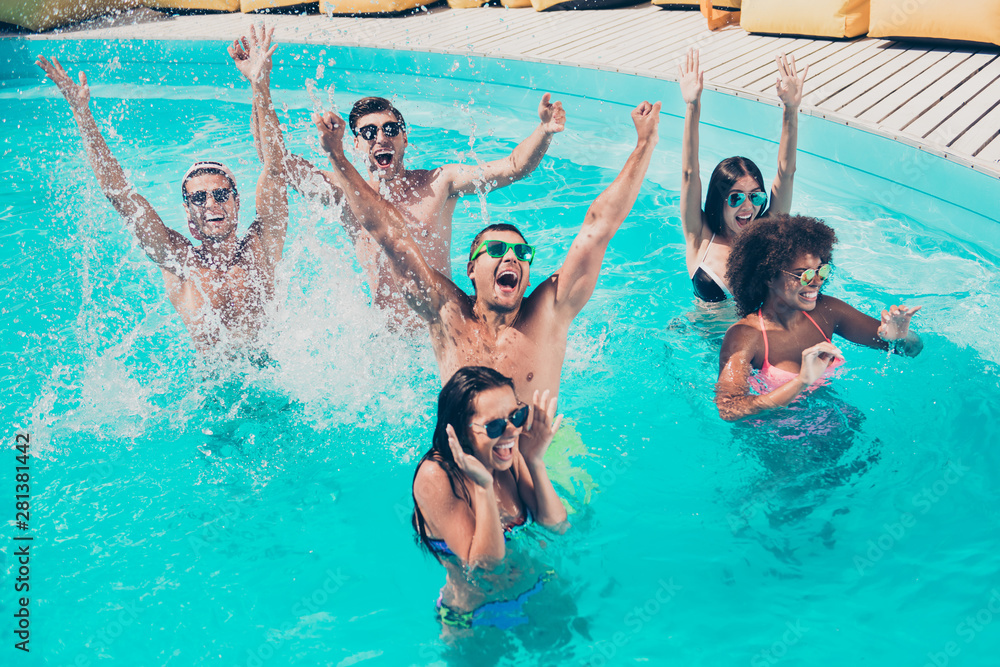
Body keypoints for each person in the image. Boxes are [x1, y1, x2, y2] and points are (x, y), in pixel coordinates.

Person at [311, 101, 660, 399]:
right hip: (448, 426)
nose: (511, 257)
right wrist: (336, 155)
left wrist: (645, 143)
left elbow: (598, 227)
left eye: (522, 254)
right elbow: (390, 235)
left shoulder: (548, 312)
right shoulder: (447, 313)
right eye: (496, 248)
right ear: (471, 270)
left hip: (539, 453)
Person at [36, 26, 288, 353]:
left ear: (237, 201)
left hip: (273, 383)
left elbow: (276, 168)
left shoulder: (261, 247)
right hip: (214, 394)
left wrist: (260, 87)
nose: (211, 204)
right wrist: (82, 115)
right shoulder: (178, 261)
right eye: (199, 197)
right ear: (188, 210)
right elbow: (119, 195)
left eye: (220, 194)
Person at [258, 94, 566, 325]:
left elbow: (513, 167)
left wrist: (544, 131)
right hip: (388, 342)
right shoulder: (344, 193)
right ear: (355, 145)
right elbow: (275, 164)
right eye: (368, 133)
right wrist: (260, 84)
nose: (381, 138)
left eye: (390, 129)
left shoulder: (440, 183)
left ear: (405, 139)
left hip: (446, 326)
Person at [715, 214, 923, 421]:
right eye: (803, 274)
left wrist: (900, 337)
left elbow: (912, 350)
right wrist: (802, 381)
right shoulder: (747, 336)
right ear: (769, 276)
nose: (816, 282)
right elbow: (729, 409)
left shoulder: (826, 311)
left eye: (821, 271)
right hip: (782, 442)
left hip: (839, 425)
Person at [411, 366, 566, 630]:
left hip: (538, 590)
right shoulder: (436, 477)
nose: (511, 431)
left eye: (516, 416)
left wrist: (535, 460)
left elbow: (557, 526)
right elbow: (486, 567)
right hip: (474, 617)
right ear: (462, 431)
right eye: (494, 425)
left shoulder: (506, 453)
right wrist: (483, 486)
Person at [678, 48, 808, 302]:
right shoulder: (700, 235)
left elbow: (786, 173)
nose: (748, 206)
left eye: (756, 197)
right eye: (736, 198)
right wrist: (693, 105)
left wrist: (791, 109)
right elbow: (689, 173)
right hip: (700, 339)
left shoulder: (768, 232)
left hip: (756, 340)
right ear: (720, 200)